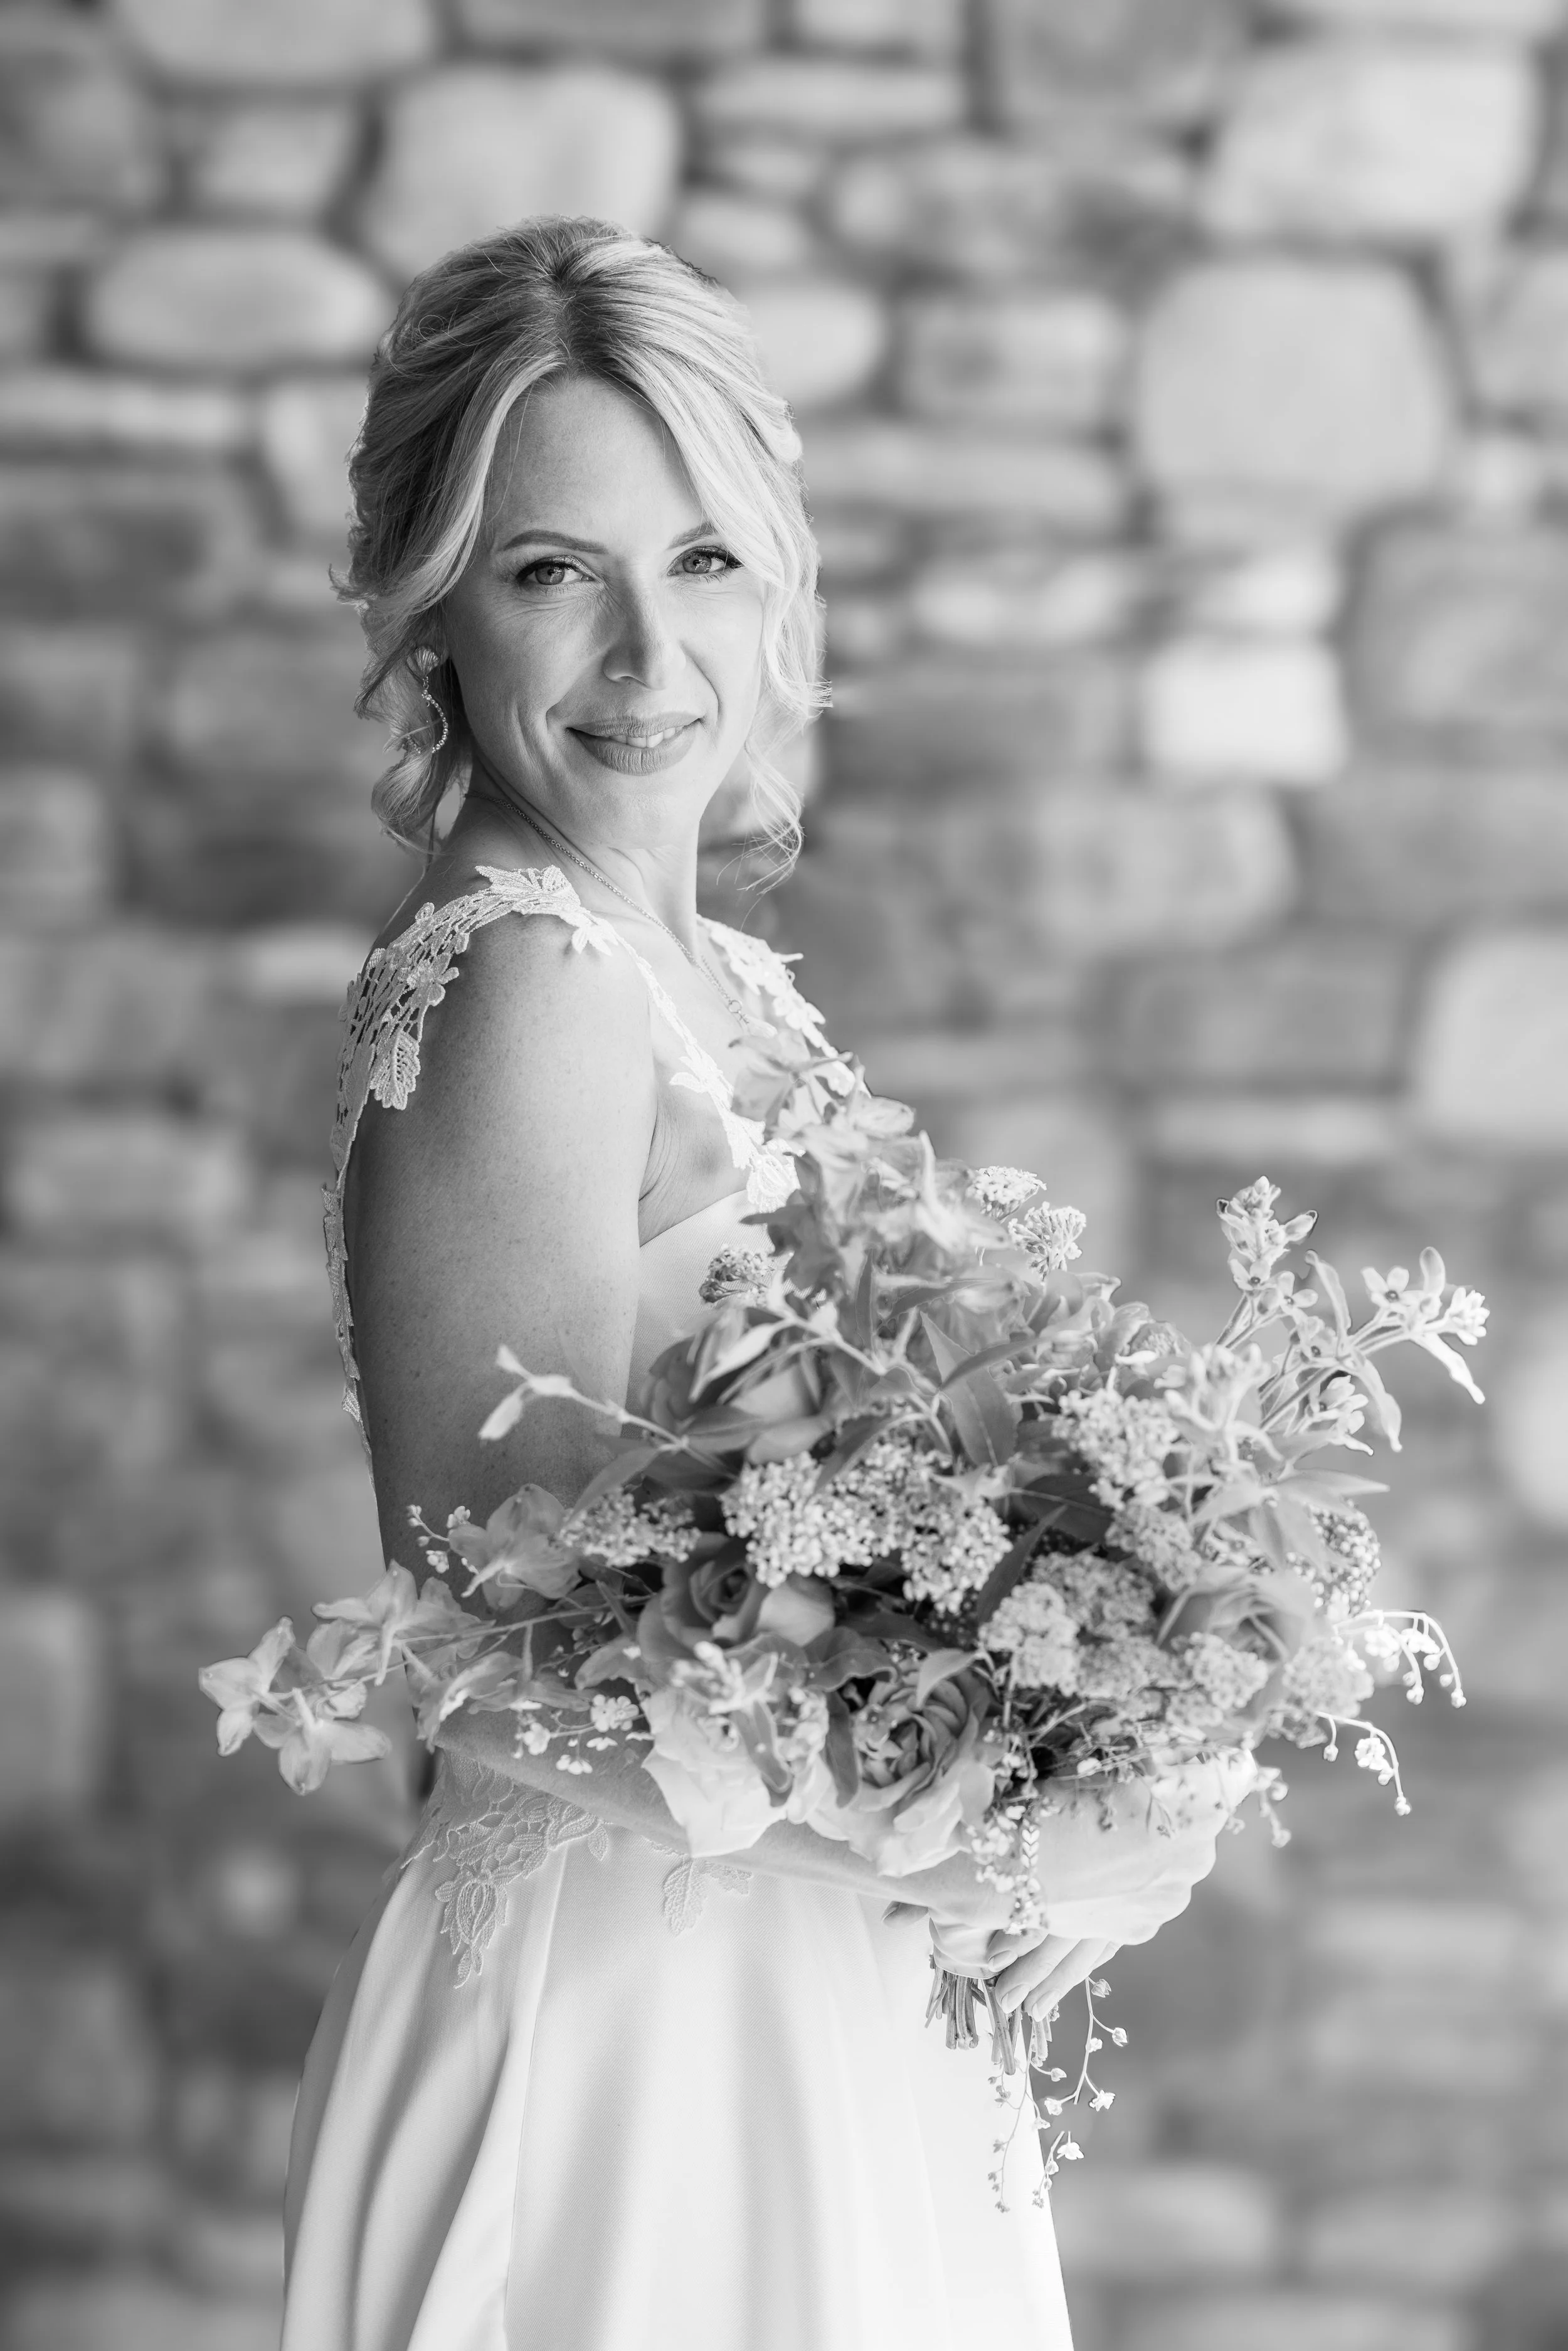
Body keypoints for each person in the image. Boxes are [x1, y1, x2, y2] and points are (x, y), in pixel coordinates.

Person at [283, 215, 1251, 2351]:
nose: (649, 663)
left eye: (703, 558)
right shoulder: (529, 988)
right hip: (642, 2041)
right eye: (556, 572)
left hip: (804, 1981)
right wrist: (997, 1827)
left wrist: (1106, 1753)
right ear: (432, 600)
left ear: (777, 576)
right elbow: (483, 1645)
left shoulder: (706, 979)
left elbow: (824, 1549)